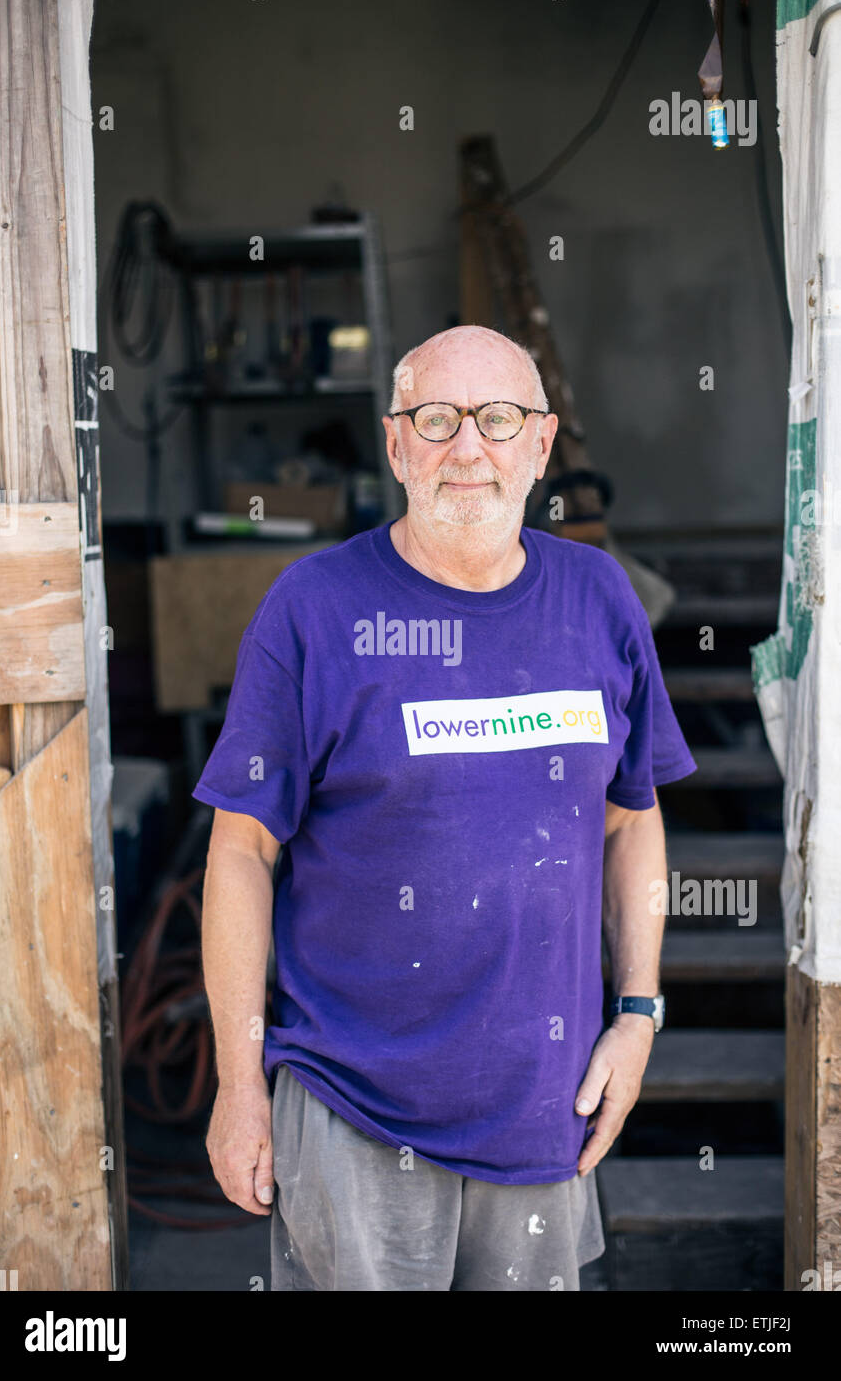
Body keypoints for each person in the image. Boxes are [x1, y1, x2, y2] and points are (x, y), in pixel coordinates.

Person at [193, 325, 697, 1291]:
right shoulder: (314, 609)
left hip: (545, 1109)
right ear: (395, 444)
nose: (469, 447)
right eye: (437, 419)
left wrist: (637, 1016)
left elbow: (631, 820)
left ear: (541, 446)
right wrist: (236, 1085)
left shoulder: (598, 598)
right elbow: (240, 852)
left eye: (499, 419)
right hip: (352, 1111)